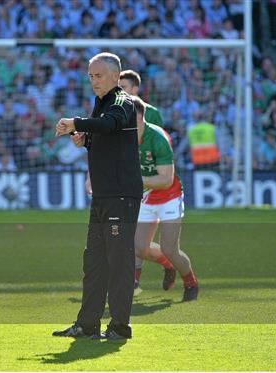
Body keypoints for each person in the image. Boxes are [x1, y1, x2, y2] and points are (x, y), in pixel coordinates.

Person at [53, 52, 142, 340]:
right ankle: (87, 324)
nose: (94, 81)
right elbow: (104, 136)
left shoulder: (123, 102)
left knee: (118, 263)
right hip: (103, 197)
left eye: (99, 75)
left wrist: (78, 124)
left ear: (116, 77)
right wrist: (85, 140)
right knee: (94, 263)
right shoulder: (102, 104)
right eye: (90, 76)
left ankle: (119, 327)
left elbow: (109, 124)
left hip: (120, 196)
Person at [130, 96, 199, 302]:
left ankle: (191, 282)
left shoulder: (158, 137)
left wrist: (134, 180)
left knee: (170, 248)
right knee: (139, 247)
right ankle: (168, 265)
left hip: (169, 196)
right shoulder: (123, 138)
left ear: (139, 117)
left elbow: (166, 180)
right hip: (146, 197)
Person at [118, 69, 172, 295]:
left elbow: (161, 145)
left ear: (135, 89)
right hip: (127, 181)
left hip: (149, 185)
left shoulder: (152, 114)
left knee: (136, 239)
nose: (119, 91)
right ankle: (133, 281)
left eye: (123, 87)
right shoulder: (117, 111)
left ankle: (144, 275)